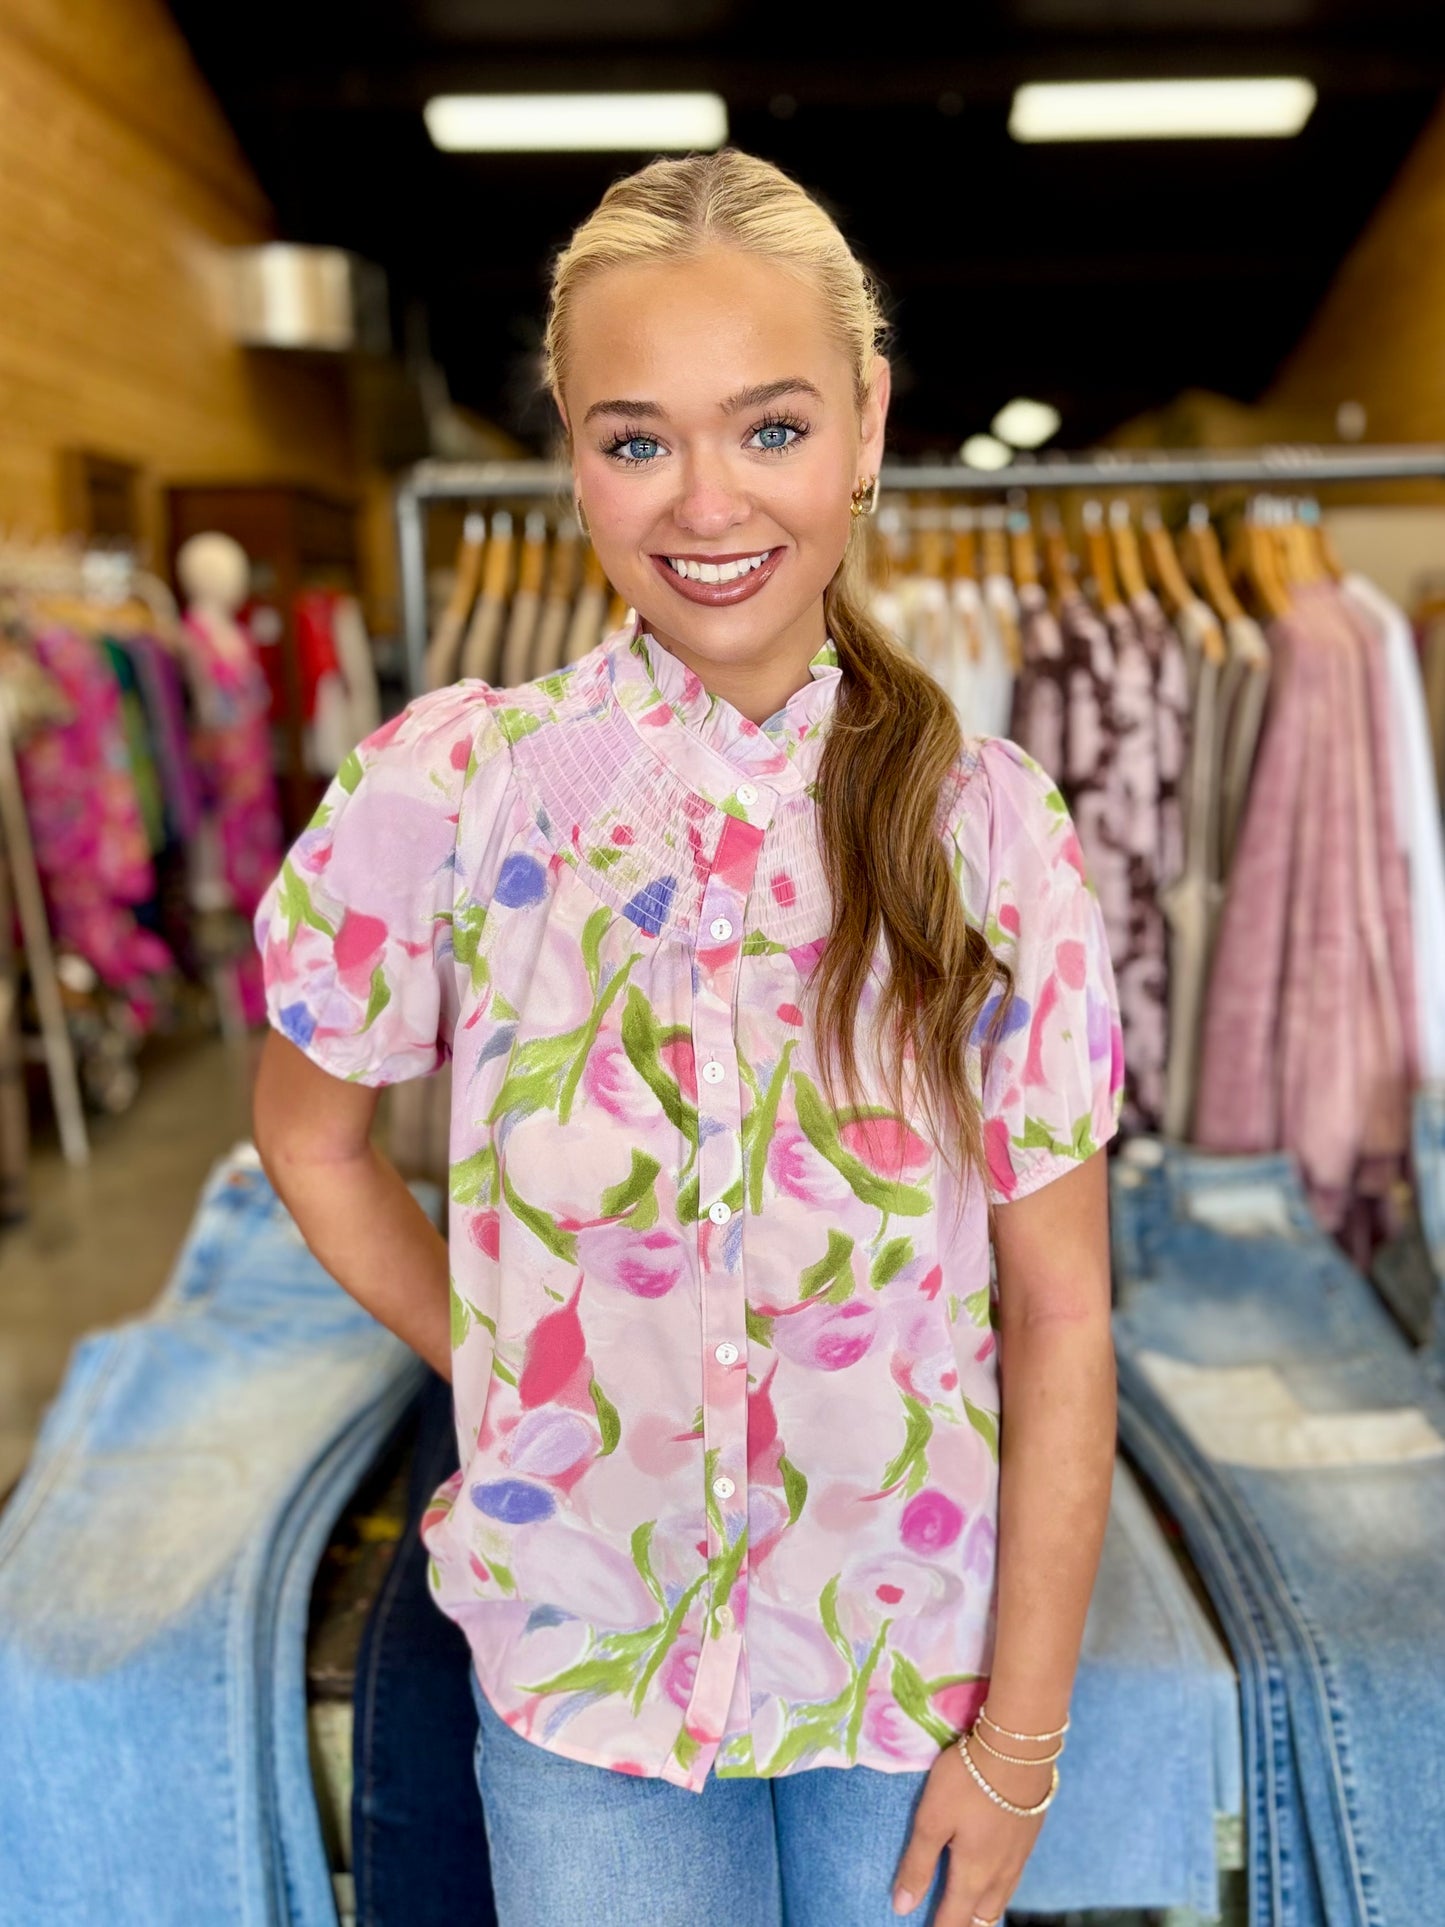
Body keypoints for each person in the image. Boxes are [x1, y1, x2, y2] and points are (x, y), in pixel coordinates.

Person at [252, 149, 1124, 1927]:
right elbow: (311, 1135)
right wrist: (513, 1358)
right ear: (569, 451)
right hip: (584, 1674)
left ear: (869, 425)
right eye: (635, 438)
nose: (704, 500)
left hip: (905, 1672)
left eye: (773, 428)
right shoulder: (452, 790)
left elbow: (1060, 1307)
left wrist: (1018, 1737)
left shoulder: (988, 830)